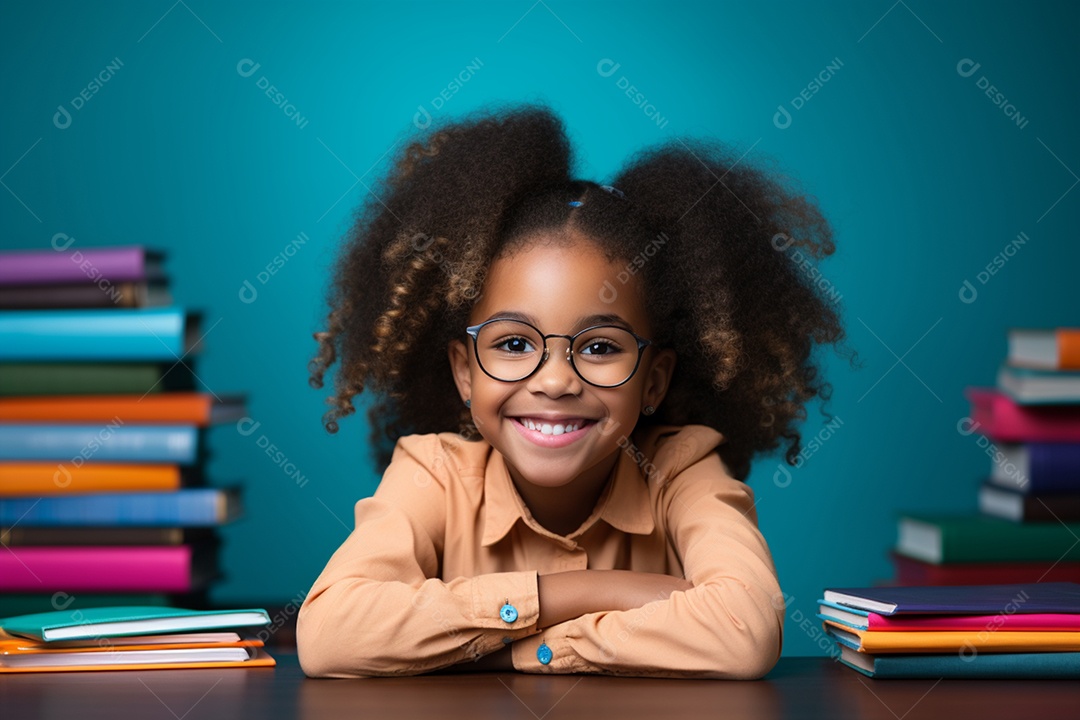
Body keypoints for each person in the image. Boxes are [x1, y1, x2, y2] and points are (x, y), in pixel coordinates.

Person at [297, 102, 852, 679]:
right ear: (464, 372)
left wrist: (519, 650)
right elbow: (329, 635)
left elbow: (745, 631)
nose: (556, 381)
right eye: (514, 343)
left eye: (600, 347)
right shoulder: (433, 474)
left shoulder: (681, 470)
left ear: (653, 380)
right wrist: (589, 591)